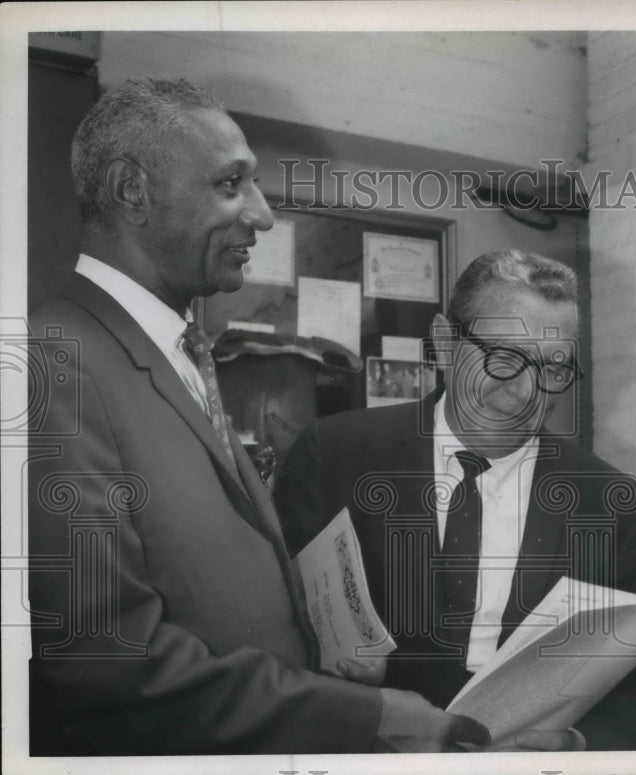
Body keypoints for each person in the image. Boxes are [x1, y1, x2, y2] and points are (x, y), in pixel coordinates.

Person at [27, 77, 488, 755]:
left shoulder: (183, 352)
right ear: (133, 191)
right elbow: (106, 660)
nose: (263, 216)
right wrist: (376, 717)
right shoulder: (51, 362)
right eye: (229, 184)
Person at [276, 250, 636, 751]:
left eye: (553, 367)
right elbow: (272, 646)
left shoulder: (615, 504)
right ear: (444, 343)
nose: (526, 393)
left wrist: (575, 746)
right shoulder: (333, 456)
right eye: (505, 357)